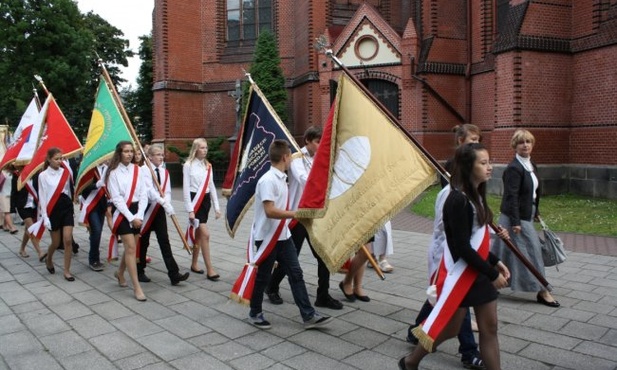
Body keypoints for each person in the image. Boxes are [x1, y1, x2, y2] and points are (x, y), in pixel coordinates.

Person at [400, 143, 510, 370]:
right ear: (469, 167)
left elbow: (476, 242)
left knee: (490, 328)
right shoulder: (457, 200)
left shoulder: (477, 195)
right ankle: (411, 362)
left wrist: (495, 262)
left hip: (478, 270)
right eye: (483, 163)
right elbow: (461, 247)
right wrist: (491, 273)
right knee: (450, 328)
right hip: (461, 273)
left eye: (490, 162)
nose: (490, 167)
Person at [407, 124, 485, 369]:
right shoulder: (450, 194)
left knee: (442, 297)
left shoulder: (473, 188)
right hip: (448, 255)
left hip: (462, 253)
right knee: (455, 300)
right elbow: (445, 229)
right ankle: (469, 352)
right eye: (472, 142)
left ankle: (416, 329)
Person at [248, 139, 332, 330]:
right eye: (290, 157)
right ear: (285, 157)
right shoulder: (268, 180)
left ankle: (308, 315)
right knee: (263, 277)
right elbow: (270, 211)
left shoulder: (281, 179)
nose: (291, 161)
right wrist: (295, 213)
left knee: (296, 273)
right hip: (267, 237)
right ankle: (254, 312)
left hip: (283, 236)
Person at [265, 126, 343, 310]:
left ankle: (322, 295)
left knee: (323, 255)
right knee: (291, 256)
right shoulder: (296, 159)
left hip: (314, 215)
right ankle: (272, 286)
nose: (320, 146)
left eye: (322, 142)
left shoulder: (321, 159)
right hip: (297, 215)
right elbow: (305, 180)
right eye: (317, 142)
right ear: (307, 140)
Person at [492, 129, 559, 307]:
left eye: (528, 142)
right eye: (521, 142)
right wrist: (515, 222)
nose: (525, 145)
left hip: (525, 215)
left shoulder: (531, 165)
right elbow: (511, 196)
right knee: (532, 251)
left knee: (503, 251)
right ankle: (543, 291)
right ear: (515, 145)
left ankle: (489, 283)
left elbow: (534, 193)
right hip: (514, 218)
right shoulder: (514, 168)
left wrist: (535, 211)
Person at [137, 144, 189, 285]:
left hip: (159, 210)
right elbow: (148, 190)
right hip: (147, 208)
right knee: (143, 241)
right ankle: (139, 270)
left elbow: (167, 191)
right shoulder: (143, 170)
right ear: (150, 157)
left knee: (164, 241)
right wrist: (162, 202)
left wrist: (168, 203)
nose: (161, 157)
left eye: (162, 154)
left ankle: (174, 274)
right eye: (158, 155)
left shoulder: (164, 171)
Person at [106, 141, 148, 301]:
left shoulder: (138, 170)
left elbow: (144, 193)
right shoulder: (113, 173)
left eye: (131, 151)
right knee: (130, 247)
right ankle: (137, 287)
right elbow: (116, 199)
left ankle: (120, 273)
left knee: (131, 248)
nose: (130, 154)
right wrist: (131, 218)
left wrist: (140, 215)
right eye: (126, 151)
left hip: (138, 210)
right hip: (123, 212)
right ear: (119, 153)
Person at [183, 138, 221, 280]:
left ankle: (194, 264)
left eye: (206, 148)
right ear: (195, 149)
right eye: (202, 148)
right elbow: (186, 188)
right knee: (205, 234)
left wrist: (217, 207)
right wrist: (190, 209)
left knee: (199, 235)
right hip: (194, 201)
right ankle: (210, 269)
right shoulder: (188, 165)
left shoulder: (208, 166)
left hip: (205, 202)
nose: (205, 150)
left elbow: (211, 186)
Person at [39, 148, 77, 281]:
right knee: (55, 242)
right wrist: (44, 216)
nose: (59, 161)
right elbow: (42, 197)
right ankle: (48, 259)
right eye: (56, 159)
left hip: (66, 206)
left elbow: (68, 190)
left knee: (67, 240)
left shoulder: (65, 172)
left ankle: (67, 271)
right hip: (52, 209)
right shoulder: (42, 175)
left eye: (61, 158)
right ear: (49, 159)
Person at [78, 162, 108, 271]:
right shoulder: (88, 168)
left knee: (96, 232)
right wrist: (96, 185)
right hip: (91, 205)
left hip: (102, 204)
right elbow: (82, 188)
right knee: (97, 231)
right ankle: (93, 259)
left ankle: (96, 256)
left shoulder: (107, 168)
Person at [11, 167, 44, 260]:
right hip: (22, 206)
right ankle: (40, 252)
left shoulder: (35, 174)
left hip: (33, 205)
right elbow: (13, 193)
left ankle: (22, 248)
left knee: (28, 229)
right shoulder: (16, 176)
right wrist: (12, 208)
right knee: (32, 228)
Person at [1, 168, 19, 234]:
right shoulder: (2, 173)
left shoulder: (15, 173)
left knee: (7, 211)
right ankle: (12, 228)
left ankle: (5, 225)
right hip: (3, 194)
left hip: (10, 194)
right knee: (7, 212)